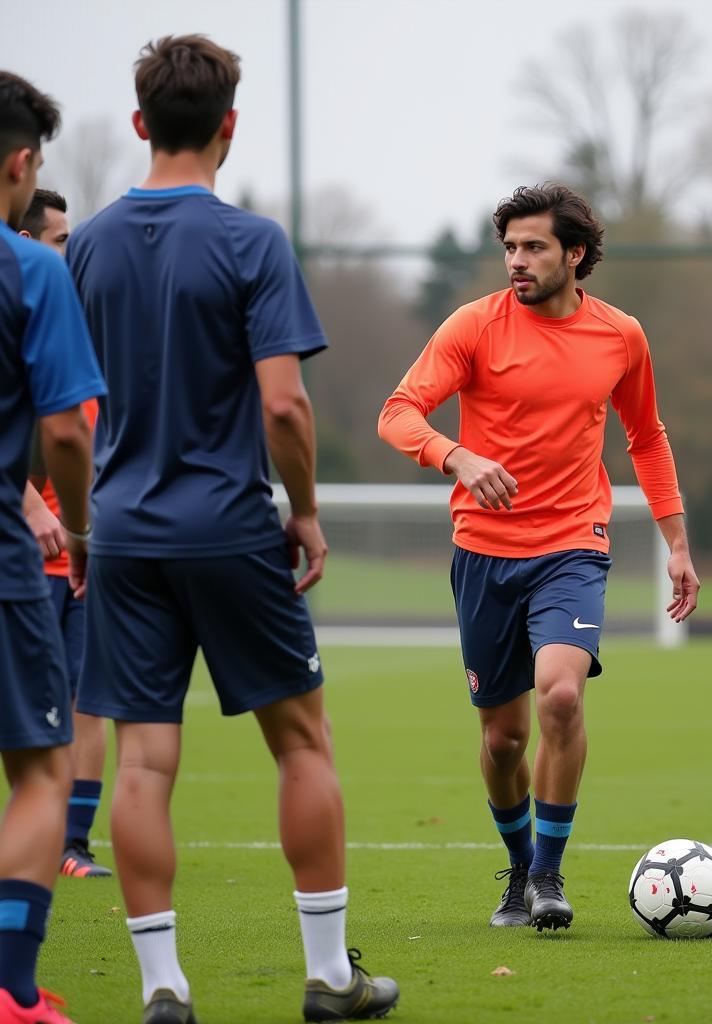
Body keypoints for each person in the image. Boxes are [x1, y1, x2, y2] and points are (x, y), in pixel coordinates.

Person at [66, 36, 397, 1024]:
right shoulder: (253, 244)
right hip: (228, 528)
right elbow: (286, 409)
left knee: (144, 762)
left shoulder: (84, 245)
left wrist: (85, 527)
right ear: (230, 127)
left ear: (137, 126)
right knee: (301, 743)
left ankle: (163, 987)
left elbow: (67, 407)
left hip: (121, 532)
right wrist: (302, 509)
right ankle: (330, 977)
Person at [379, 183, 699, 932]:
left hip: (572, 546)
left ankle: (550, 876)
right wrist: (455, 456)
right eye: (510, 248)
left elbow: (646, 438)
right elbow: (398, 412)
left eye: (533, 248)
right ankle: (520, 866)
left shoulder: (622, 336)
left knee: (560, 696)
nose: (516, 262)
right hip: (484, 554)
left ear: (575, 254)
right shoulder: (473, 326)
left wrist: (677, 544)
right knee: (503, 739)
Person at [0, 71, 105, 1024]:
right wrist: (70, 525)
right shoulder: (30, 272)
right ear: (22, 165)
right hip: (9, 557)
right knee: (37, 768)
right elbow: (70, 431)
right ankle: (10, 991)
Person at [19, 188, 110, 879]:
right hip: (25, 557)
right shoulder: (15, 318)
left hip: (90, 552)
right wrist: (34, 505)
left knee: (90, 701)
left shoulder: (82, 324)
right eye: (59, 241)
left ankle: (72, 844)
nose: (70, 254)